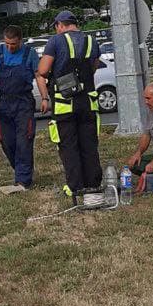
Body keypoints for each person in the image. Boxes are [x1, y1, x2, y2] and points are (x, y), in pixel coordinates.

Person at [37, 11, 104, 208]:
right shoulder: (91, 41)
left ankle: (75, 186)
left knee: (68, 145)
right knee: (89, 144)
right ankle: (93, 183)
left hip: (64, 103)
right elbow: (94, 66)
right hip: (88, 101)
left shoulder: (55, 42)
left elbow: (42, 70)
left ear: (60, 25)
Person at [0, 24, 42, 191]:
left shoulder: (30, 54)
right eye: (7, 43)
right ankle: (22, 171)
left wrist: (44, 98)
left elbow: (38, 76)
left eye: (13, 44)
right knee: (7, 141)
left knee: (24, 141)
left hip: (24, 104)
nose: (9, 47)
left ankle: (23, 181)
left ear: (20, 41)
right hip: (5, 103)